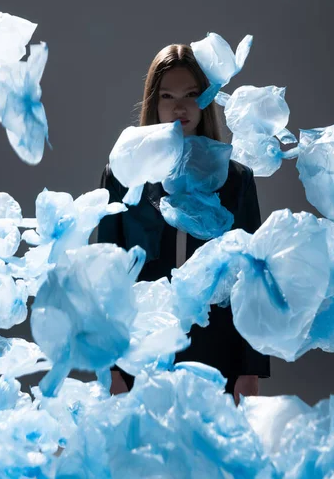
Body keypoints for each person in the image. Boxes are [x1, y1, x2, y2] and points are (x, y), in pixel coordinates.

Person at [97, 44, 270, 404]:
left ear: (206, 99)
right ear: (153, 102)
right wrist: (111, 367)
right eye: (167, 96)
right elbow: (107, 276)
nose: (180, 107)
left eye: (191, 95)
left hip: (217, 349)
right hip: (141, 350)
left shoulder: (236, 180)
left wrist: (250, 370)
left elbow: (253, 277)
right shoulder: (123, 176)